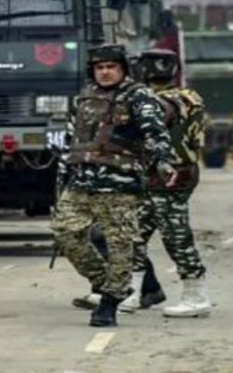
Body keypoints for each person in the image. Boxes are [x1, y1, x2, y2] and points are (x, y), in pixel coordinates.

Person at [51, 44, 176, 327]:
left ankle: (109, 302)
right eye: (100, 67)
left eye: (111, 67)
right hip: (82, 180)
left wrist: (162, 162)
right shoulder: (84, 98)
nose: (105, 72)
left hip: (120, 184)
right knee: (65, 232)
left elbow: (156, 133)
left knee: (120, 245)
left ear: (123, 69)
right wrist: (64, 171)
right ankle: (104, 283)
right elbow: (71, 138)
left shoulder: (138, 96)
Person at [121, 49, 210, 317]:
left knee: (176, 237)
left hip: (171, 176)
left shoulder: (164, 101)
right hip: (158, 176)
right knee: (133, 233)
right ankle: (132, 292)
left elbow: (158, 116)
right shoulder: (188, 96)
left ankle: (196, 295)